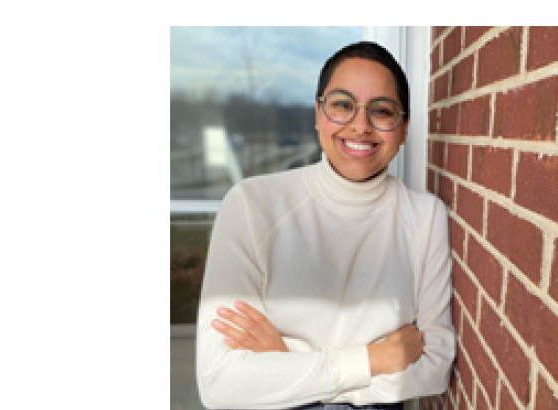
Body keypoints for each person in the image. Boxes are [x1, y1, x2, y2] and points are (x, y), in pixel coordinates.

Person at [195, 41, 455, 410]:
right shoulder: (252, 206)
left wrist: (285, 360)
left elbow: (434, 369)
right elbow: (221, 383)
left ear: (404, 127)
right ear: (318, 113)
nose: (361, 125)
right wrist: (373, 359)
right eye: (342, 105)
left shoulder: (425, 216)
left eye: (382, 111)